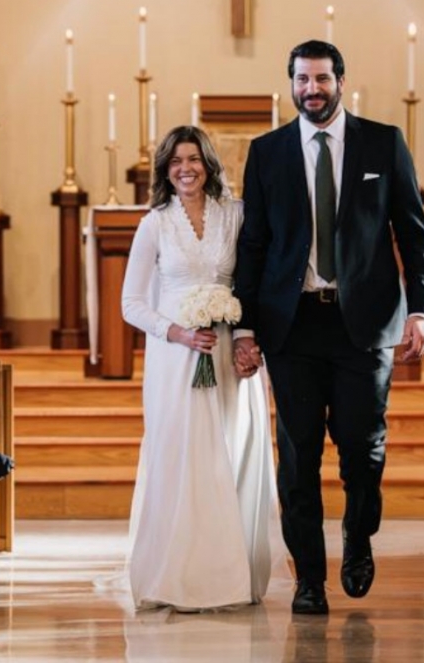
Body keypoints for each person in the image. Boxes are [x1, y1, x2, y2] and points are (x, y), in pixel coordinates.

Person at [234, 40, 424, 615]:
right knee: (297, 458)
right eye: (302, 79)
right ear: (291, 83)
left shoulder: (382, 142)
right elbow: (254, 247)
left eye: (321, 78)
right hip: (293, 326)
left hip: (365, 326)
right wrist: (246, 326)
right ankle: (308, 581)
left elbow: (415, 235)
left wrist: (421, 309)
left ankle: (358, 534)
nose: (311, 89)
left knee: (362, 451)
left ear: (341, 81)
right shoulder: (268, 152)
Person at [122, 125, 281, 611]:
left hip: (230, 352)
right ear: (165, 171)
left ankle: (232, 576)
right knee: (182, 454)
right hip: (175, 357)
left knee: (230, 453)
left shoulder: (235, 217)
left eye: (193, 159)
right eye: (175, 161)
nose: (185, 168)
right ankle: (177, 575)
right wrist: (178, 332)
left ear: (208, 164)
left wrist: (247, 339)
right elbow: (131, 302)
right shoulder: (154, 224)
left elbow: (252, 281)